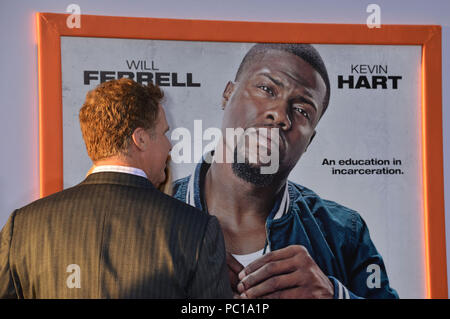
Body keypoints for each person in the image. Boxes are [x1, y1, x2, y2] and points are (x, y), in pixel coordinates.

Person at [173, 43, 398, 299]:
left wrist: (333, 295)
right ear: (228, 94)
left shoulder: (345, 233)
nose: (280, 115)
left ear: (308, 142)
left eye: (302, 110)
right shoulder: (146, 216)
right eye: (267, 89)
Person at [0, 78, 231, 299]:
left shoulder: (22, 227)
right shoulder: (196, 230)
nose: (170, 145)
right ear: (140, 139)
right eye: (164, 133)